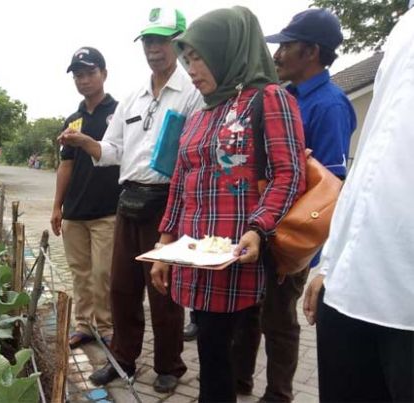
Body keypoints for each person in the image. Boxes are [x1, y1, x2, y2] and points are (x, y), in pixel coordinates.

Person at [150, 6, 306, 402]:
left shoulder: (269, 99)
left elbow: (289, 174)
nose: (191, 69)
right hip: (199, 254)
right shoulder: (202, 112)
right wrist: (164, 247)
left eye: (198, 57)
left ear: (227, 50)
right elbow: (180, 183)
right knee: (209, 349)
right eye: (187, 60)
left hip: (240, 255)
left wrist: (258, 227)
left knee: (224, 357)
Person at [58, 7, 203, 393]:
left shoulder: (193, 93)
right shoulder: (135, 96)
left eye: (162, 40)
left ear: (179, 42)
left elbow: (195, 157)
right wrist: (83, 142)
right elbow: (111, 150)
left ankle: (170, 364)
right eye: (149, 41)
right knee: (121, 287)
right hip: (128, 200)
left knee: (164, 290)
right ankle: (123, 357)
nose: (154, 48)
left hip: (169, 201)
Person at [232, 9, 357, 402]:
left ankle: (279, 393)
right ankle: (240, 380)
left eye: (287, 46)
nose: (279, 54)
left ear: (312, 51)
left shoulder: (330, 105)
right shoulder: (280, 97)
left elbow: (329, 186)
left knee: (279, 319)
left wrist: (305, 250)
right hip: (259, 223)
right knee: (248, 310)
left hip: (290, 233)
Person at [302, 6, 414, 402]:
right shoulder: (405, 27)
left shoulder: (330, 103)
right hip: (351, 290)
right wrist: (331, 259)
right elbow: (369, 159)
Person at [51, 46, 120, 349]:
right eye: (78, 75)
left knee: (103, 273)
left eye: (90, 73)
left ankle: (106, 326)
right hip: (75, 211)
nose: (84, 80)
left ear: (104, 74)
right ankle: (84, 325)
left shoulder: (119, 113)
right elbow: (66, 165)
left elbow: (122, 155)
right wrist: (57, 206)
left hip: (108, 208)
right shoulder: (73, 119)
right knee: (80, 273)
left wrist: (88, 142)